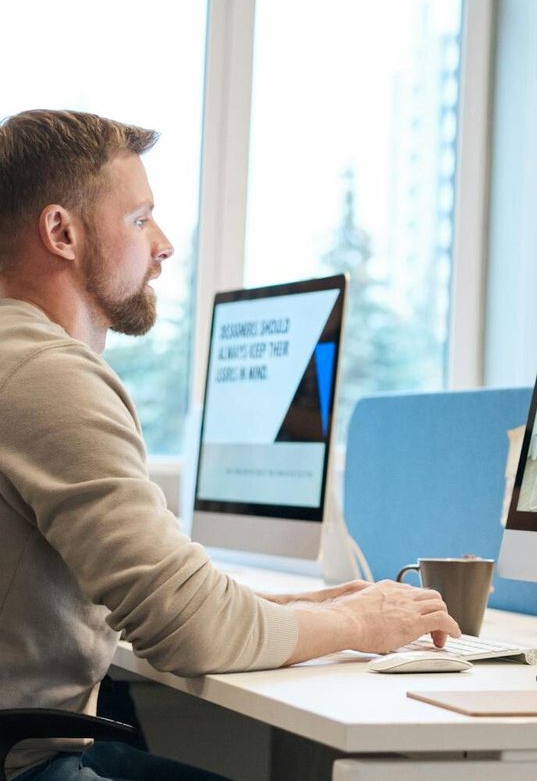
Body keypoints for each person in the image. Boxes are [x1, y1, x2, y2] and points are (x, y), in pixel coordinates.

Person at [0, 110, 460, 781]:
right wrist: (363, 625)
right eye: (138, 219)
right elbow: (186, 628)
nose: (162, 245)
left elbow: (156, 597)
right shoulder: (46, 374)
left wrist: (301, 609)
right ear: (62, 233)